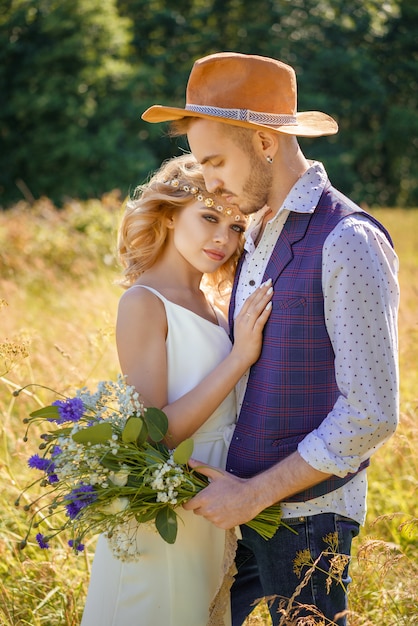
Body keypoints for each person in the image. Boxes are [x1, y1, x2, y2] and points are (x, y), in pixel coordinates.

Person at [141, 52, 400, 625]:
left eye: (215, 162)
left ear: (263, 143)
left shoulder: (348, 240)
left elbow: (372, 413)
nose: (207, 183)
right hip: (243, 513)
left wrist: (253, 494)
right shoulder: (254, 231)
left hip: (310, 521)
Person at [80, 153, 273, 626]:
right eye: (209, 217)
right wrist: (239, 358)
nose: (222, 239)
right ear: (168, 215)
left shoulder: (214, 305)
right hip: (169, 503)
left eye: (235, 228)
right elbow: (155, 433)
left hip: (214, 498)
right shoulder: (143, 302)